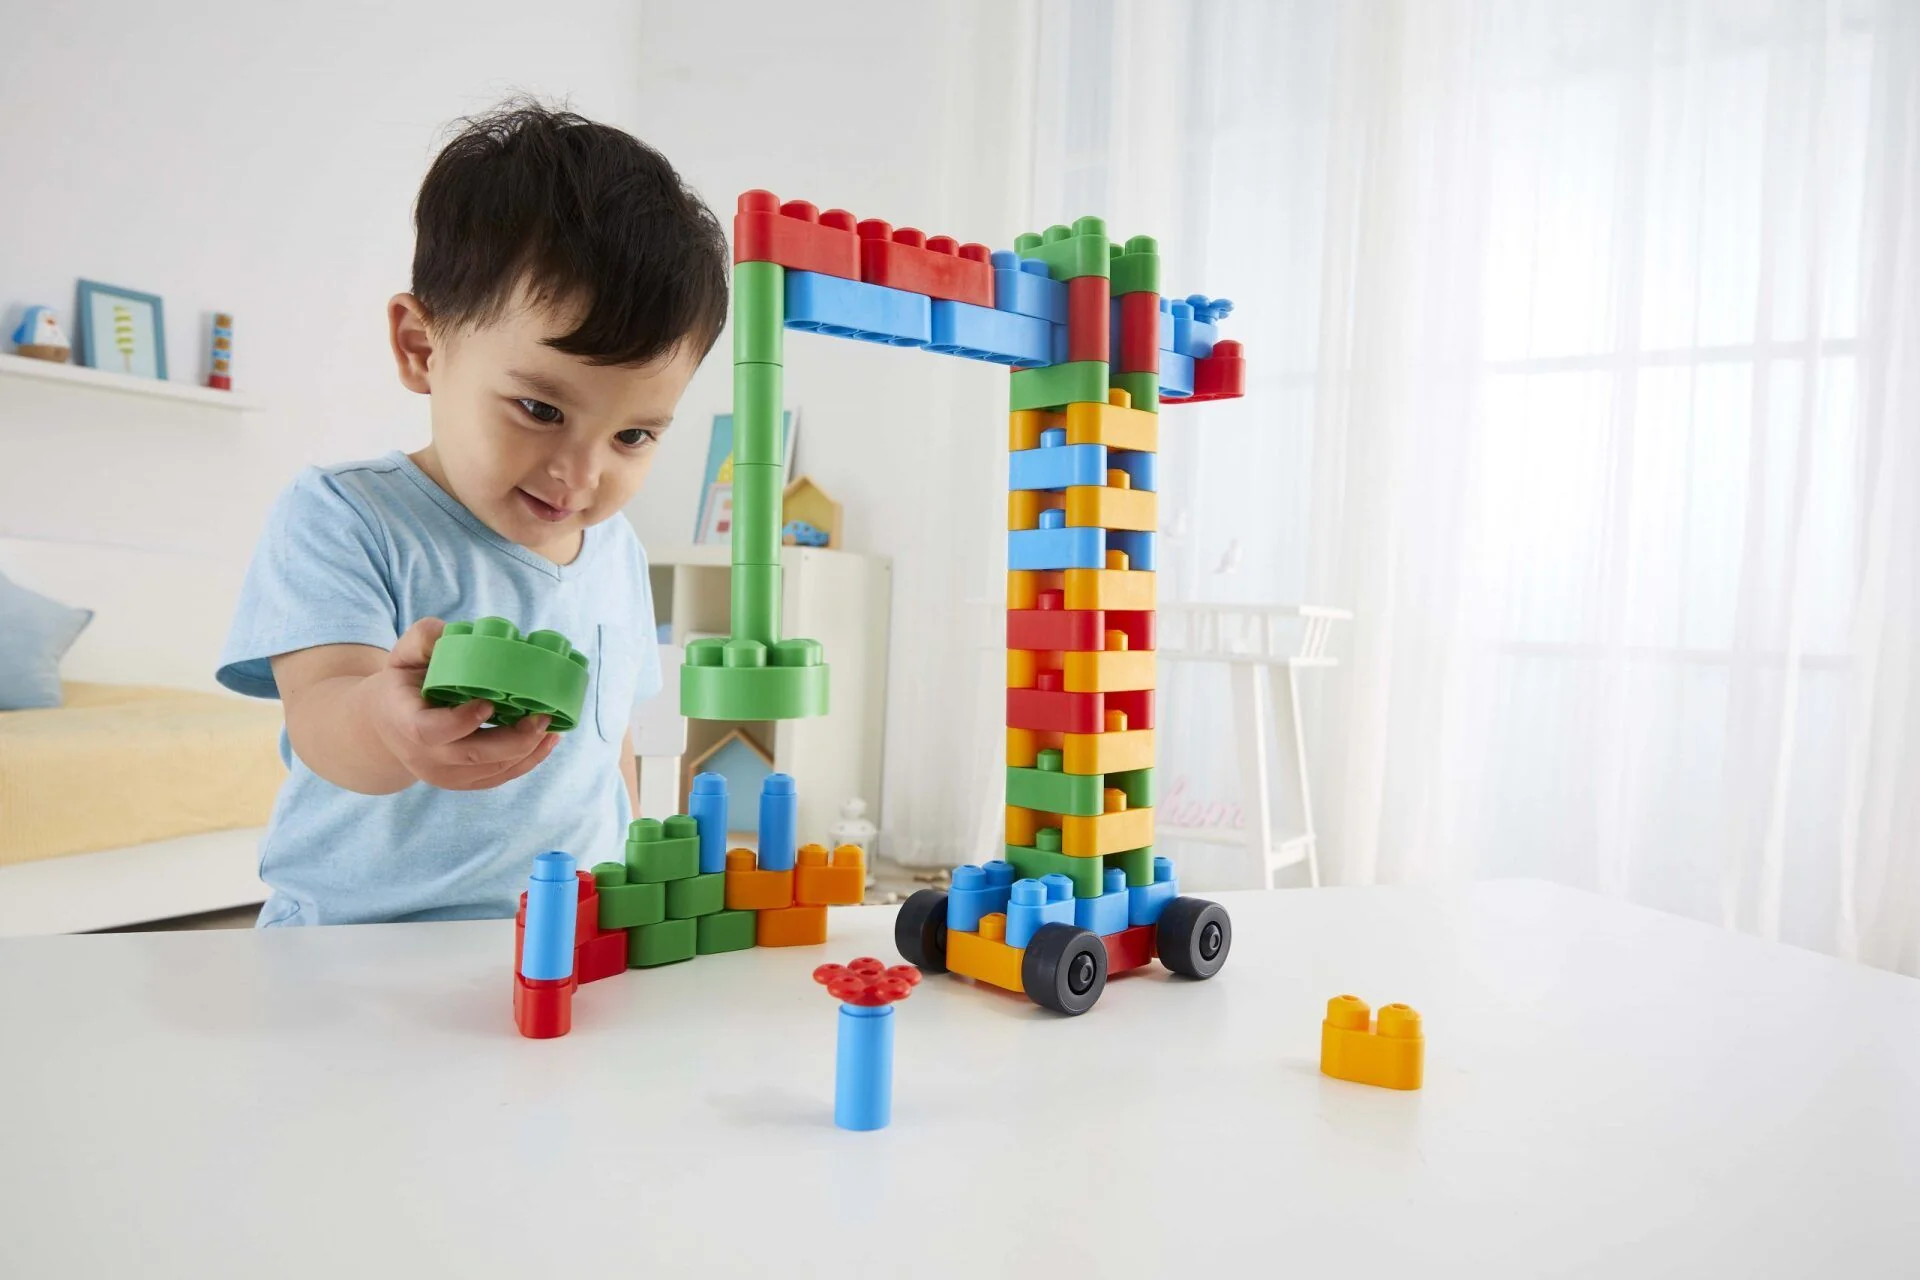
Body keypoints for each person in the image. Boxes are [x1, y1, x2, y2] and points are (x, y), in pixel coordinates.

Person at [217, 102, 727, 925]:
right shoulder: (347, 516)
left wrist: (626, 887)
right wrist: (387, 725)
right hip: (356, 945)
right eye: (540, 409)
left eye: (632, 435)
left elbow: (611, 750)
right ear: (422, 348)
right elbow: (322, 713)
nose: (580, 475)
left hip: (558, 938)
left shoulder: (616, 550)